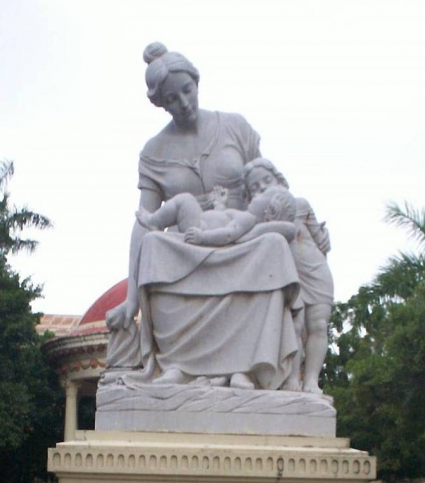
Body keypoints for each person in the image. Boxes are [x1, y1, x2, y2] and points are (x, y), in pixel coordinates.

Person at [105, 43, 300, 391]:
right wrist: (131, 297)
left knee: (273, 245)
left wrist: (308, 226)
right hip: (189, 246)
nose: (183, 102)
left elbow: (272, 186)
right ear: (160, 103)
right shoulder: (153, 152)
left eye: (187, 90)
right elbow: (144, 220)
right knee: (152, 243)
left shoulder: (235, 127)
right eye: (171, 98)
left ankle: (248, 367)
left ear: (197, 82)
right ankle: (179, 364)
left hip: (241, 239)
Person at [243, 158, 334, 394]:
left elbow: (321, 240)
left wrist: (325, 236)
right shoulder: (256, 217)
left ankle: (312, 380)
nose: (262, 188)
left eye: (267, 181)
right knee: (294, 326)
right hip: (287, 275)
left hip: (315, 272)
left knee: (318, 325)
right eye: (255, 187)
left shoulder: (301, 204)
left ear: (279, 180)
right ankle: (292, 379)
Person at [136, 184, 297, 248]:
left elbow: (228, 234)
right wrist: (219, 204)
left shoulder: (248, 220)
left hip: (199, 228)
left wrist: (203, 237)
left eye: (262, 194)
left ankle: (153, 220)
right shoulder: (245, 217)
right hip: (200, 226)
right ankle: (155, 222)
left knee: (185, 200)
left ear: (271, 211)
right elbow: (223, 219)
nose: (256, 194)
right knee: (185, 200)